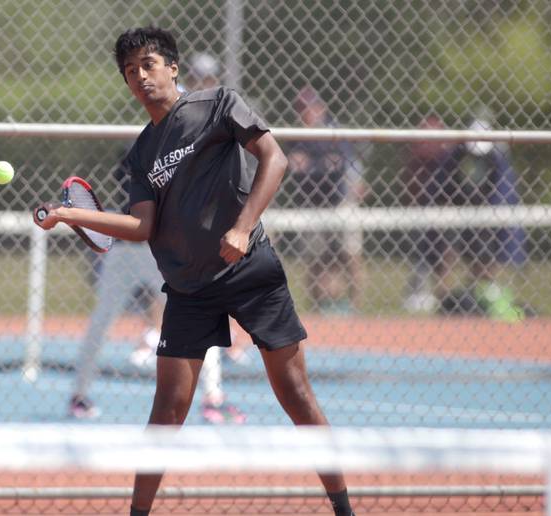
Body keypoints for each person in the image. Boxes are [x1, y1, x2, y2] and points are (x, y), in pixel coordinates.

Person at [34, 27, 355, 516]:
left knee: (295, 394)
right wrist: (71, 216)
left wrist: (244, 228)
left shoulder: (220, 104)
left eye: (148, 64)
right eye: (130, 71)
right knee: (166, 411)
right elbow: (142, 226)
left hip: (251, 271)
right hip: (187, 289)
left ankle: (343, 508)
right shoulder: (141, 153)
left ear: (172, 67)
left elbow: (275, 158)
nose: (140, 76)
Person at [68, 168, 245, 424]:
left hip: (149, 250)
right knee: (104, 321)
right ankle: (79, 395)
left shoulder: (170, 149)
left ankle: (212, 398)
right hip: (135, 250)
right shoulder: (147, 152)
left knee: (197, 320)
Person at [402, 114, 527, 321]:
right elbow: (438, 185)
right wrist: (439, 206)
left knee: (485, 254)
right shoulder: (455, 154)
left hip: (487, 212)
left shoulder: (497, 157)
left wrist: (490, 214)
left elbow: (503, 192)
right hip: (457, 208)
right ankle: (445, 300)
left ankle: (484, 294)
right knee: (444, 247)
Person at [277, 85, 365, 314]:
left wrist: (312, 165)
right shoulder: (296, 136)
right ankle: (318, 310)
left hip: (340, 199)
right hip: (311, 202)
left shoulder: (333, 131)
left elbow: (340, 163)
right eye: (301, 108)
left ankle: (356, 309)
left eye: (310, 107)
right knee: (315, 258)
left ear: (321, 108)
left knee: (350, 255)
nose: (306, 113)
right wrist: (320, 165)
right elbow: (295, 166)